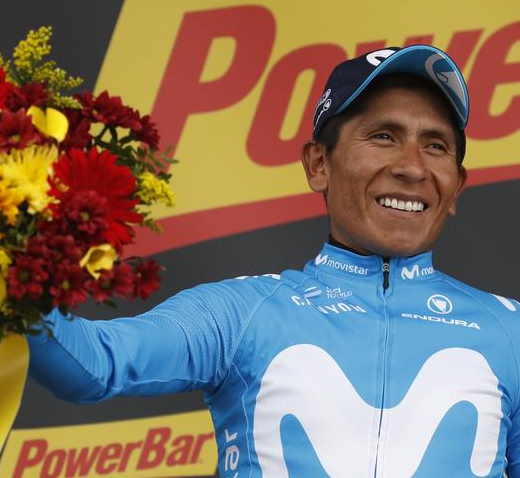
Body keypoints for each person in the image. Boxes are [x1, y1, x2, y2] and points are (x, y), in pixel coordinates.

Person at [27, 45, 520, 476]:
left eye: (435, 145)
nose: (412, 166)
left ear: (457, 186)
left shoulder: (510, 332)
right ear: (318, 164)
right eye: (383, 136)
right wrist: (10, 269)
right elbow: (94, 365)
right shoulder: (240, 313)